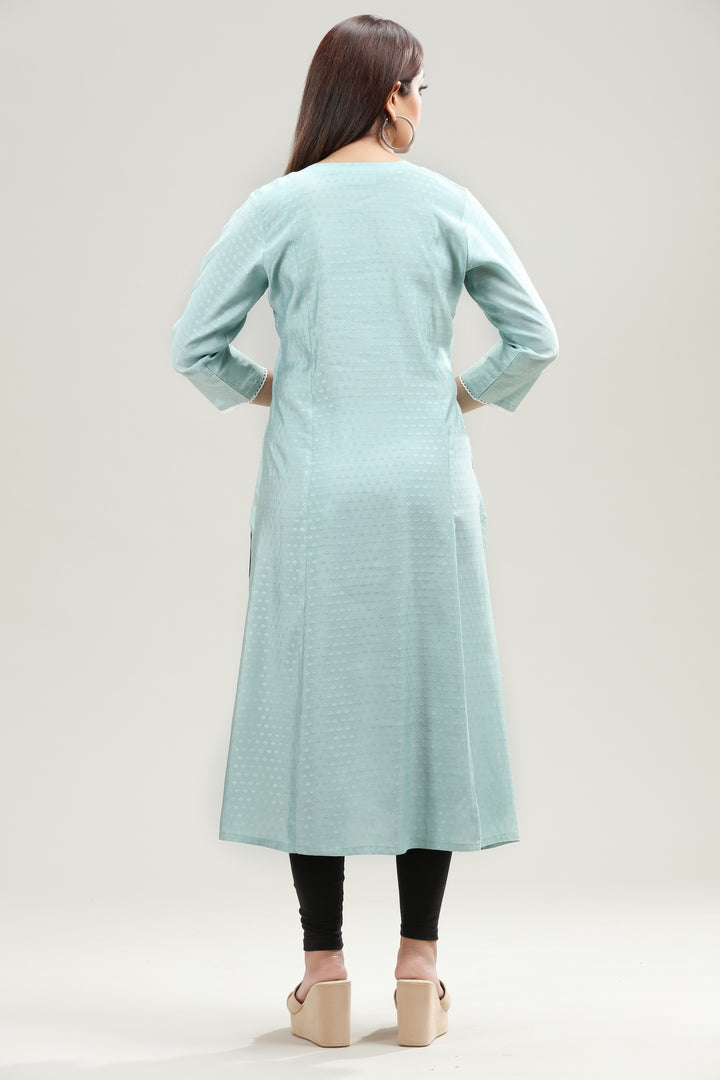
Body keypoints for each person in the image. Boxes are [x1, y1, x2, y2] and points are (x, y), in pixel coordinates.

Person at [171, 15, 559, 1049]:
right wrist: (458, 397)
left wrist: (273, 390)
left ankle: (325, 974)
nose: (422, 106)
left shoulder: (279, 207)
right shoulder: (448, 204)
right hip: (427, 490)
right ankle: (420, 973)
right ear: (391, 94)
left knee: (320, 715)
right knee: (428, 705)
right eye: (419, 88)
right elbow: (535, 338)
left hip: (316, 493)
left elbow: (195, 344)